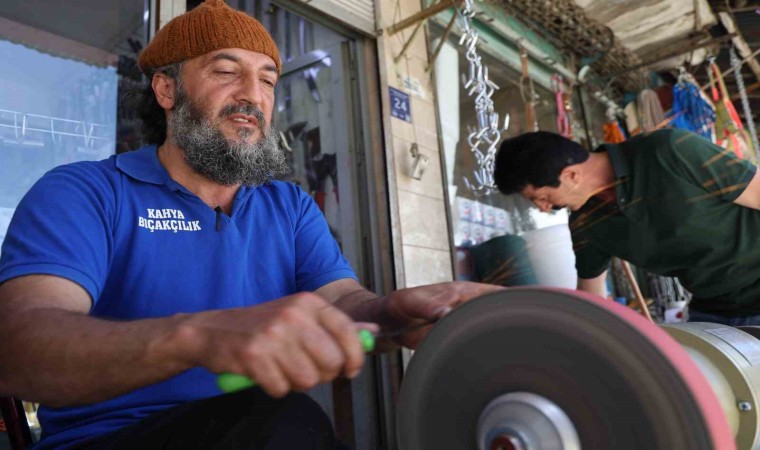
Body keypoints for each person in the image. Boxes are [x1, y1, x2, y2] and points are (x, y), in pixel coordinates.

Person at [0, 1, 502, 449]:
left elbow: (341, 302)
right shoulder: (86, 192)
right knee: (286, 418)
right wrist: (198, 337)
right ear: (167, 89)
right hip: (113, 437)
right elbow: (18, 348)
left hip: (264, 433)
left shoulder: (289, 205)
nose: (252, 95)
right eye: (226, 71)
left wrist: (389, 312)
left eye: (267, 80)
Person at [493, 129, 760, 325]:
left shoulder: (668, 151)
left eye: (540, 197)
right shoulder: (587, 223)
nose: (543, 208)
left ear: (571, 175)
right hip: (714, 312)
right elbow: (592, 296)